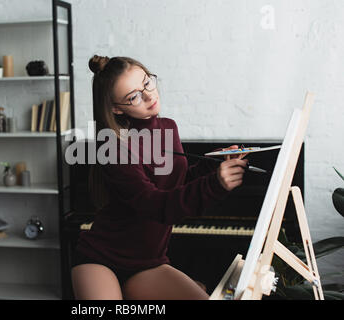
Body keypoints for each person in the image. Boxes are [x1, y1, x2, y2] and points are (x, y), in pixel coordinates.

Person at [71, 55, 249, 300]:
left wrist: (214, 166)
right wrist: (215, 184)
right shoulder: (113, 146)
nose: (149, 95)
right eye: (133, 96)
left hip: (147, 263)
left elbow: (177, 182)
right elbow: (153, 204)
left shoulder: (167, 127)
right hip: (100, 260)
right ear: (116, 108)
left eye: (146, 82)